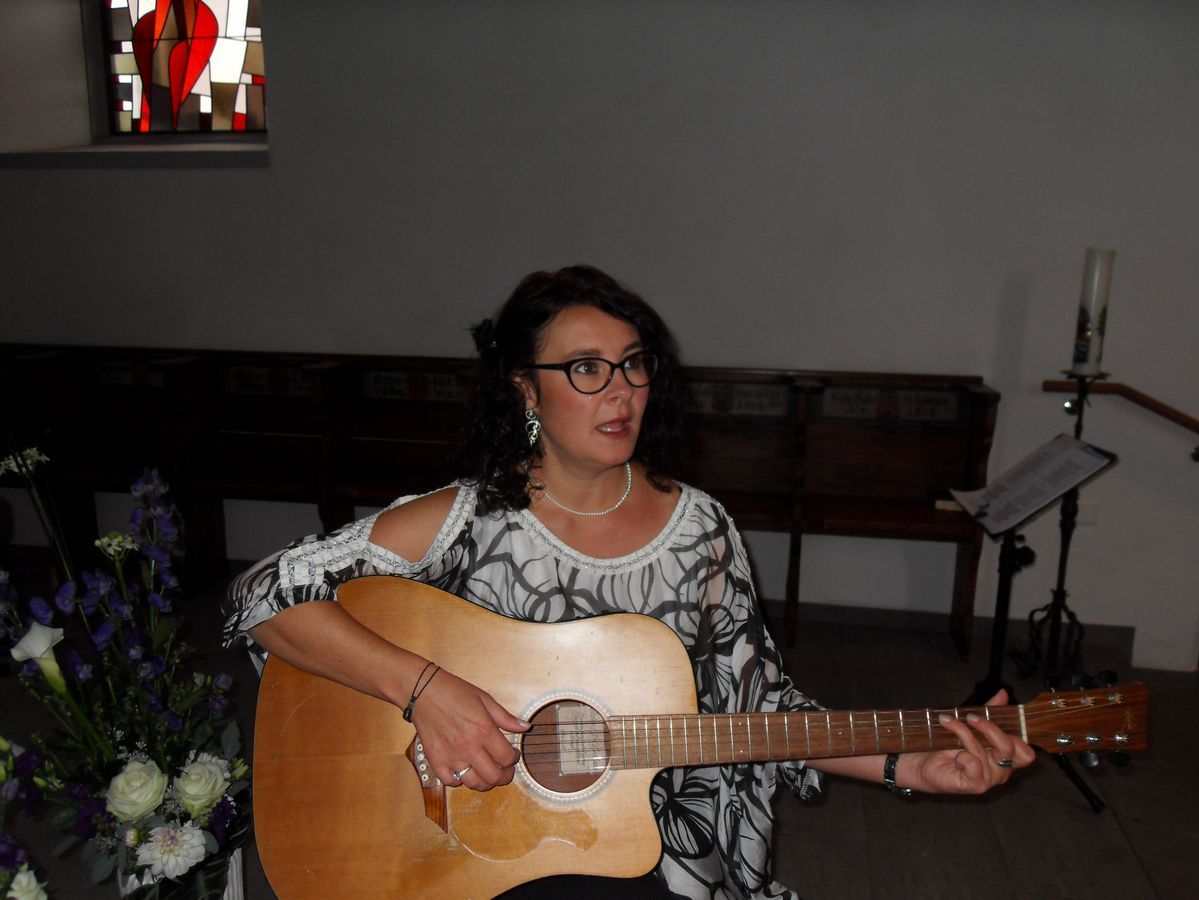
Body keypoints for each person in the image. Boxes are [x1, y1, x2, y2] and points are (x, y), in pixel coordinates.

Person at [223, 265, 1035, 899]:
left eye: (633, 365)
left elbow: (758, 706)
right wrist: (425, 689)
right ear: (524, 387)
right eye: (586, 368)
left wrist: (911, 765)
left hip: (651, 850)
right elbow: (261, 595)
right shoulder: (465, 521)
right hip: (471, 843)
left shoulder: (701, 530)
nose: (620, 392)